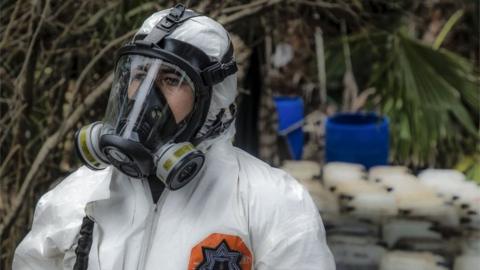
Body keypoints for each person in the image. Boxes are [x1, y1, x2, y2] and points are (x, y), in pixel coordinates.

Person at [13, 4, 335, 270]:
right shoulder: (77, 200)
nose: (145, 96)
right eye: (140, 75)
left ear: (214, 101)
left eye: (171, 79)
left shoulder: (272, 203)